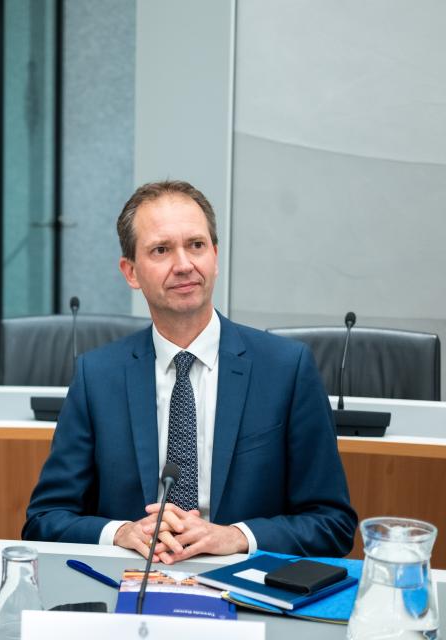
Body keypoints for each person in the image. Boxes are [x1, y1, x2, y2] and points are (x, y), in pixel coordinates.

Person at [22, 180, 356, 563]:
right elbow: (44, 519)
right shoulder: (97, 376)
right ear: (130, 271)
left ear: (215, 255)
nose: (184, 265)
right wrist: (122, 532)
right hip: (133, 581)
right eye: (161, 250)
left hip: (246, 590)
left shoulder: (286, 369)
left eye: (196, 245)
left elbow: (333, 524)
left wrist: (236, 536)